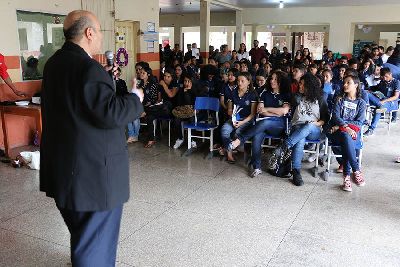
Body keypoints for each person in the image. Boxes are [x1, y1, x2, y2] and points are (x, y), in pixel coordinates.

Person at [40, 10, 144, 266]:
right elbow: (110, 113)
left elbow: (79, 103)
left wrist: (104, 78)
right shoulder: (88, 69)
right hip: (93, 178)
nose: (100, 39)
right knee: (95, 243)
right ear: (89, 33)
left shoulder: (54, 63)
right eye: (99, 32)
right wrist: (135, 98)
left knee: (84, 233)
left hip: (64, 170)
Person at [228, 70, 291, 177]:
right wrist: (275, 113)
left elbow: (284, 111)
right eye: (271, 78)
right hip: (263, 124)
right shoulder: (265, 93)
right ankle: (257, 167)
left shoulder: (286, 95)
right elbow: (260, 110)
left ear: (281, 81)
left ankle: (240, 140)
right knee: (257, 137)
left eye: (275, 79)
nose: (272, 81)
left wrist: (268, 110)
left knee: (265, 122)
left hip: (279, 126)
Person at [283, 73, 328, 186]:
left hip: (314, 129)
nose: (300, 86)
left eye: (303, 84)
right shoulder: (297, 97)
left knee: (308, 126)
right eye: (300, 84)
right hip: (297, 128)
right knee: (300, 139)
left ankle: (285, 145)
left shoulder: (320, 98)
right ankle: (296, 172)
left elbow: (325, 119)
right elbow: (288, 107)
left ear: (310, 85)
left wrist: (315, 123)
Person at [328, 74, 367, 192]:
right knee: (346, 136)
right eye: (344, 82)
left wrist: (341, 126)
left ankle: (346, 177)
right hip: (336, 134)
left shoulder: (361, 103)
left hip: (349, 133)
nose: (344, 85)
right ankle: (356, 170)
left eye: (348, 83)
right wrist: (346, 127)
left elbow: (359, 123)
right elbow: (335, 116)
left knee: (346, 138)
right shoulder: (340, 99)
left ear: (356, 85)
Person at [221, 72, 257, 163]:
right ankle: (229, 153)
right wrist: (229, 109)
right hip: (235, 118)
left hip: (247, 120)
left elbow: (252, 114)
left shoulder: (252, 94)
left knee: (238, 132)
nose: (239, 83)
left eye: (242, 81)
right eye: (238, 81)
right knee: (224, 129)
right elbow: (230, 101)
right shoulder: (234, 91)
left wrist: (241, 122)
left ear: (248, 82)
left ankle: (230, 148)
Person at [364, 67, 400, 136]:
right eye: (383, 77)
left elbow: (396, 96)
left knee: (379, 108)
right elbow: (375, 88)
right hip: (380, 100)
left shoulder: (396, 82)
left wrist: (385, 100)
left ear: (390, 74)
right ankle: (369, 107)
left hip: (391, 103)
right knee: (366, 93)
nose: (385, 78)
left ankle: (371, 129)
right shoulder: (383, 81)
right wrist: (369, 89)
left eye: (386, 76)